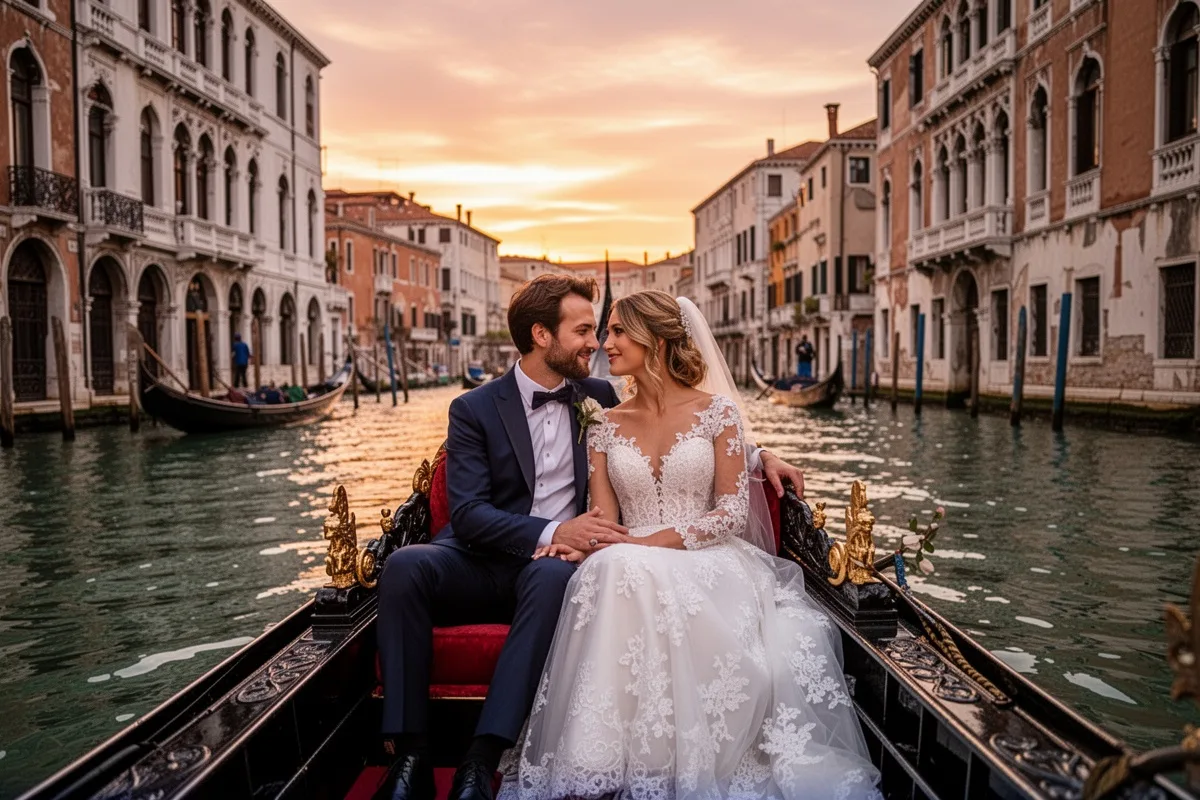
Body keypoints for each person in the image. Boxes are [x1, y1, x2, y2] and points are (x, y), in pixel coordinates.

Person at [374, 275, 807, 800]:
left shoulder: (596, 397)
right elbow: (465, 514)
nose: (596, 343)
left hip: (562, 565)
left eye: (606, 331)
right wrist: (560, 530)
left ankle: (480, 760)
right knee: (402, 566)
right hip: (482, 555)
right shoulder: (475, 408)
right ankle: (411, 755)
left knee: (558, 573)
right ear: (541, 335)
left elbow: (689, 422)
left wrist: (764, 458)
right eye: (584, 331)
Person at [500, 291, 880, 800]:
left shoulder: (717, 412)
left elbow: (730, 512)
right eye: (602, 331)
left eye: (615, 332)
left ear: (654, 340)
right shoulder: (604, 420)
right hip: (628, 553)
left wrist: (661, 537)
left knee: (625, 568)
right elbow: (604, 518)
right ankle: (598, 760)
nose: (604, 344)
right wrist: (576, 542)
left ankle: (656, 760)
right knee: (612, 568)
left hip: (709, 557)